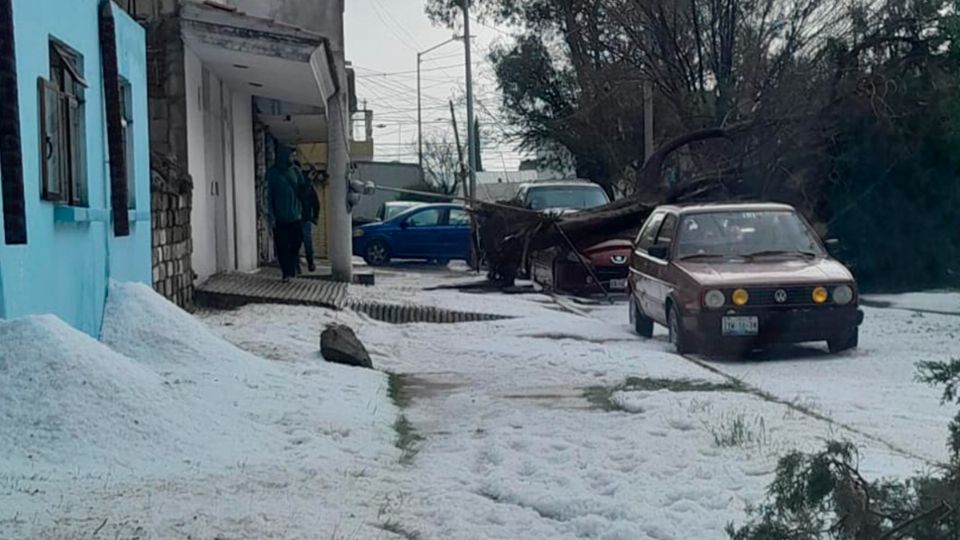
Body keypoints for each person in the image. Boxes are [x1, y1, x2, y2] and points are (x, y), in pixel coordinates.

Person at [267, 145, 303, 282]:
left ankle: (293, 266)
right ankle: (286, 273)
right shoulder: (273, 173)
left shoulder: (296, 171)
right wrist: (271, 215)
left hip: (296, 216)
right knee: (282, 246)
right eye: (291, 155)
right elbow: (268, 195)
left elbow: (302, 190)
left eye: (294, 156)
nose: (293, 158)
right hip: (280, 218)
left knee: (296, 242)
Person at [294, 159, 321, 273]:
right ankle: (299, 265)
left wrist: (314, 216)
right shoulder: (300, 183)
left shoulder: (304, 184)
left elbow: (315, 203)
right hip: (298, 218)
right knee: (298, 243)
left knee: (304, 242)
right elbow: (316, 203)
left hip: (302, 218)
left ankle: (307, 264)